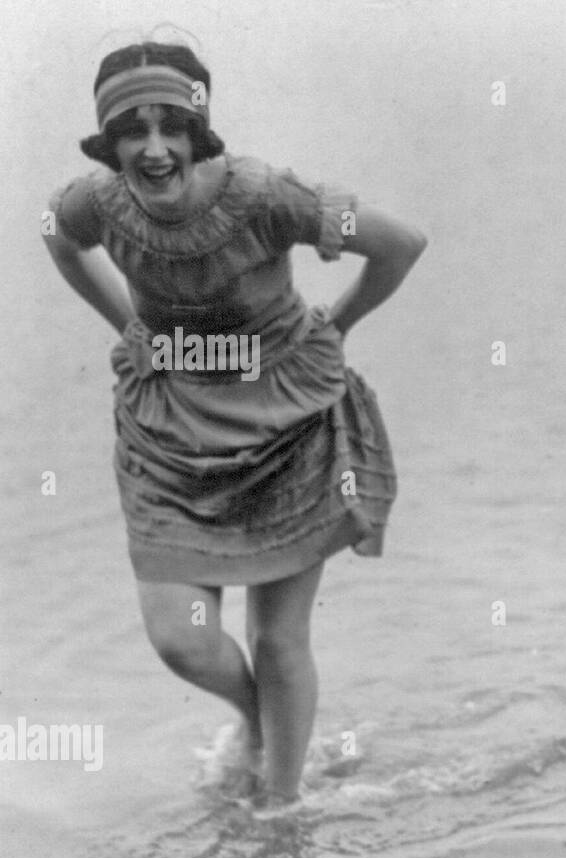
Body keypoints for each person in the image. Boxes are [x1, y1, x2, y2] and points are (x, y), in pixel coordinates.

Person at [43, 41, 426, 812]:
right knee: (180, 637)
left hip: (287, 422)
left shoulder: (264, 194)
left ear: (198, 129)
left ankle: (281, 808)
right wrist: (131, 327)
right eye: (131, 131)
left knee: (280, 640)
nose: (154, 150)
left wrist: (335, 327)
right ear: (108, 140)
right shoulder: (95, 200)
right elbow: (58, 233)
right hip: (169, 435)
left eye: (171, 127)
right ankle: (262, 725)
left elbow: (399, 242)